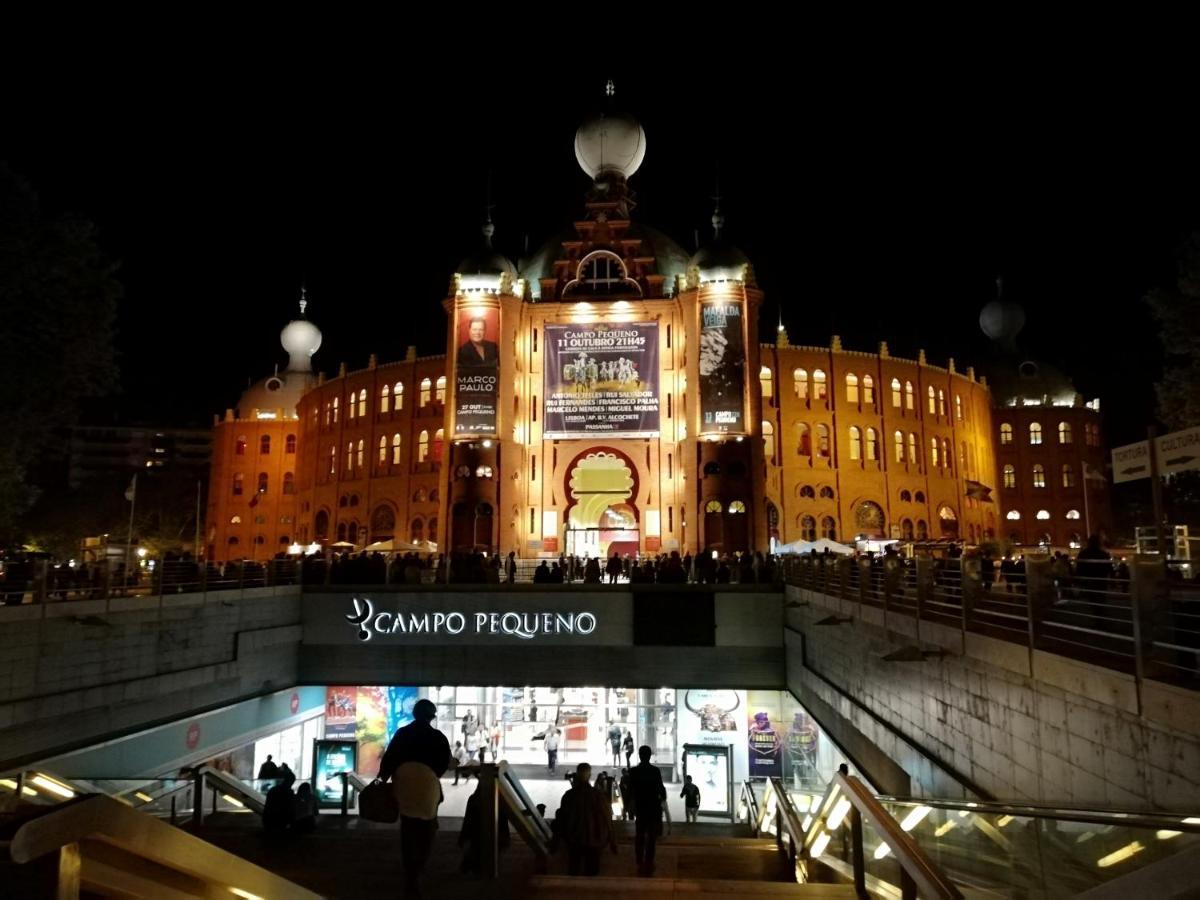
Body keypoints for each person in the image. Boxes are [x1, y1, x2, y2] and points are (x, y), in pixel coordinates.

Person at [378, 698, 451, 898]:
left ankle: (410, 874)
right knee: (427, 829)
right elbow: (443, 763)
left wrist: (380, 781)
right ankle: (418, 868)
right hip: (428, 786)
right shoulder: (437, 737)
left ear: (414, 714)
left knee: (408, 829)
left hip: (403, 785)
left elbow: (389, 760)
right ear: (431, 716)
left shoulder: (402, 734)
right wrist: (430, 773)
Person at [556, 763, 616, 876]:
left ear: (577, 775)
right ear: (589, 775)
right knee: (592, 871)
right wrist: (612, 839)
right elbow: (607, 817)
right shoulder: (598, 795)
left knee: (574, 869)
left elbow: (561, 819)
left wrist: (557, 840)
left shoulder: (569, 796)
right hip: (594, 840)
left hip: (574, 839)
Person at [629, 745, 666, 875]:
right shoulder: (655, 771)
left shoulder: (633, 771)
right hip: (653, 808)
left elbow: (630, 791)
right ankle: (649, 862)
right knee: (651, 838)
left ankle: (639, 861)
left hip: (641, 808)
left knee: (639, 835)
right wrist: (663, 800)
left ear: (639, 755)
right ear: (650, 756)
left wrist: (630, 808)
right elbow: (661, 789)